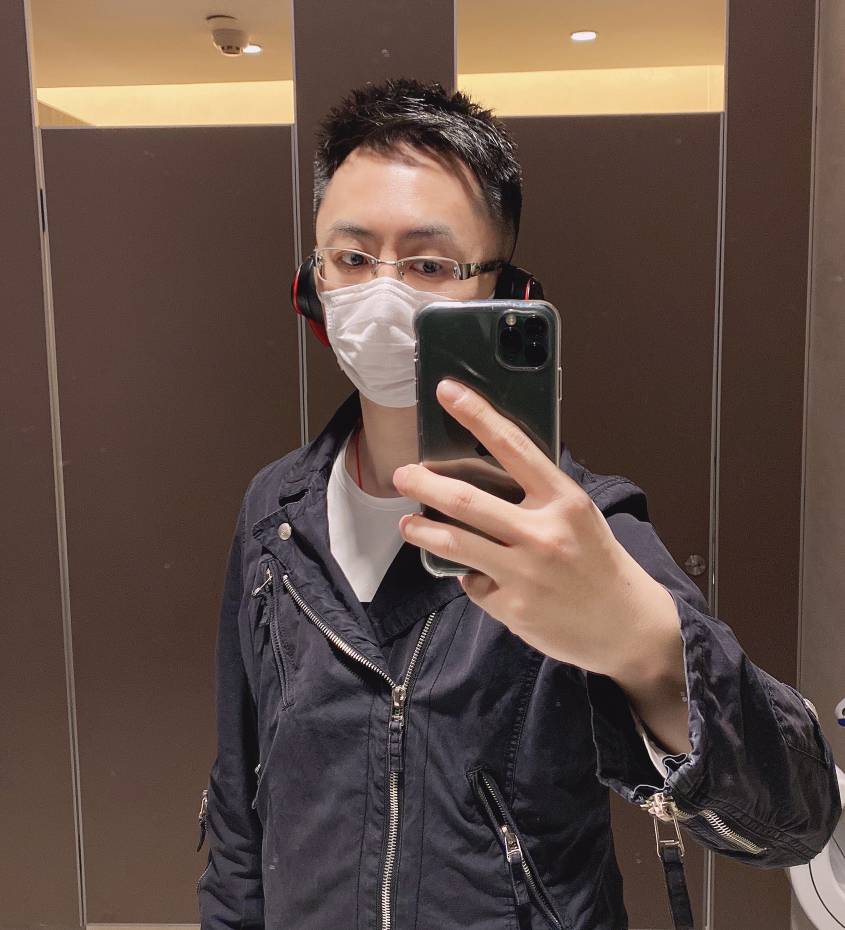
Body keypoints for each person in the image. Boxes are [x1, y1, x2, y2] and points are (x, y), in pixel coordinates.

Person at [196, 78, 841, 930]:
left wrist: (644, 645)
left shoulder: (577, 534)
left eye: (429, 264)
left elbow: (795, 823)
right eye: (351, 259)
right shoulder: (274, 511)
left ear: (509, 298)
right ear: (310, 286)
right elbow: (240, 797)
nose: (381, 293)